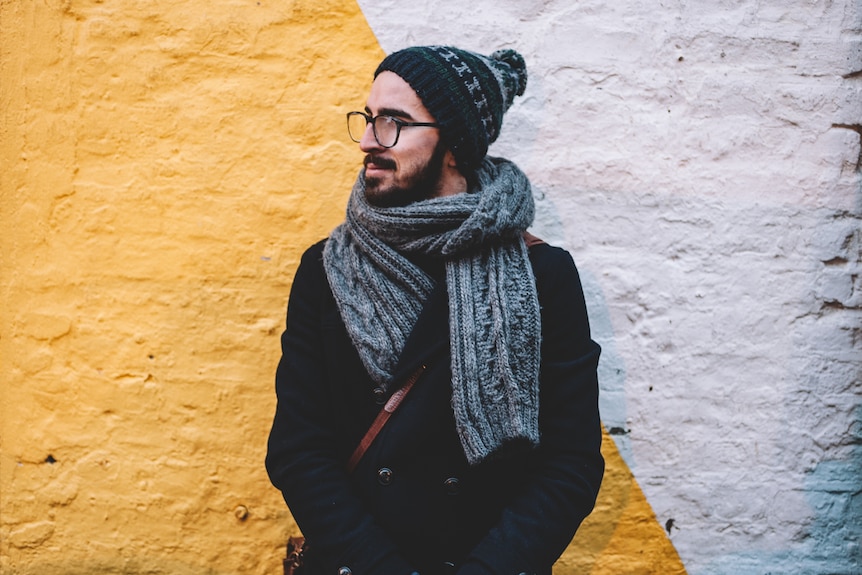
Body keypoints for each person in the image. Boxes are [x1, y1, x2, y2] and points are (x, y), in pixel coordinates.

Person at [266, 45, 604, 575]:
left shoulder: (545, 276)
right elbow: (298, 449)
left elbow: (570, 464)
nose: (367, 140)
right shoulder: (326, 271)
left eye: (394, 123)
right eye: (369, 118)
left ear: (455, 144)